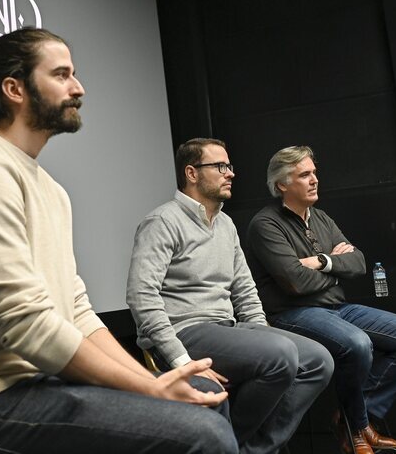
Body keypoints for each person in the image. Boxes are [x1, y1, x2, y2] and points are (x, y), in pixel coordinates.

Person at [0, 29, 238, 454]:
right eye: (62, 74)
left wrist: (155, 383)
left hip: (45, 381)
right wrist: (150, 389)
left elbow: (79, 313)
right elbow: (28, 327)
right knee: (205, 434)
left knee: (200, 395)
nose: (78, 87)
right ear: (14, 89)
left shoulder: (49, 187)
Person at [127, 137, 333, 454]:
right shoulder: (162, 222)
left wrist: (262, 335)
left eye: (229, 166)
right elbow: (142, 298)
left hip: (227, 328)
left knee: (318, 360)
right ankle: (227, 446)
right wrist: (182, 360)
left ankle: (243, 447)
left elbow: (246, 291)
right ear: (192, 173)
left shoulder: (226, 224)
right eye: (220, 166)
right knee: (280, 354)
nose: (230, 173)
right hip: (186, 331)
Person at [244, 145, 396, 454]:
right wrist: (334, 265)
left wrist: (321, 261)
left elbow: (358, 263)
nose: (314, 180)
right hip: (293, 313)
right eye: (304, 174)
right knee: (358, 344)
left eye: (314, 173)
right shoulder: (265, 225)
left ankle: (354, 418)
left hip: (337, 308)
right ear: (282, 184)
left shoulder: (321, 217)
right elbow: (295, 282)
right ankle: (356, 428)